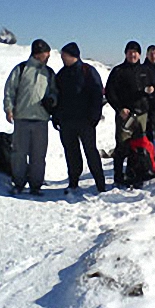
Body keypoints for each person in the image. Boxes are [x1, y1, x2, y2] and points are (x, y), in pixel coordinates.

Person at [3, 39, 58, 195]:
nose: (48, 57)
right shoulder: (21, 69)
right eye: (46, 54)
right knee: (19, 154)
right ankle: (18, 183)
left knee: (38, 156)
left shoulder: (49, 72)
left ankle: (36, 185)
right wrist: (9, 108)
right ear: (38, 54)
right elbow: (10, 90)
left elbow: (55, 92)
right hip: (22, 118)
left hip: (41, 120)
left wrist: (52, 100)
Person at [53, 42, 106, 194]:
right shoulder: (62, 74)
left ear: (72, 56)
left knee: (91, 152)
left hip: (86, 121)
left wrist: (94, 117)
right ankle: (73, 182)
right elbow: (57, 96)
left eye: (64, 55)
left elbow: (97, 95)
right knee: (71, 153)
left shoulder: (87, 71)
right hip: (66, 121)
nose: (62, 58)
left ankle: (100, 185)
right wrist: (56, 117)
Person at [105, 41, 155, 187]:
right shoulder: (118, 71)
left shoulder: (146, 70)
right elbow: (110, 93)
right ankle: (118, 177)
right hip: (125, 116)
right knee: (122, 146)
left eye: (135, 52)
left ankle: (134, 173)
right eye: (130, 52)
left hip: (142, 114)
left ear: (139, 54)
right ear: (125, 54)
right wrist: (119, 108)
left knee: (139, 146)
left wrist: (152, 91)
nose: (132, 54)